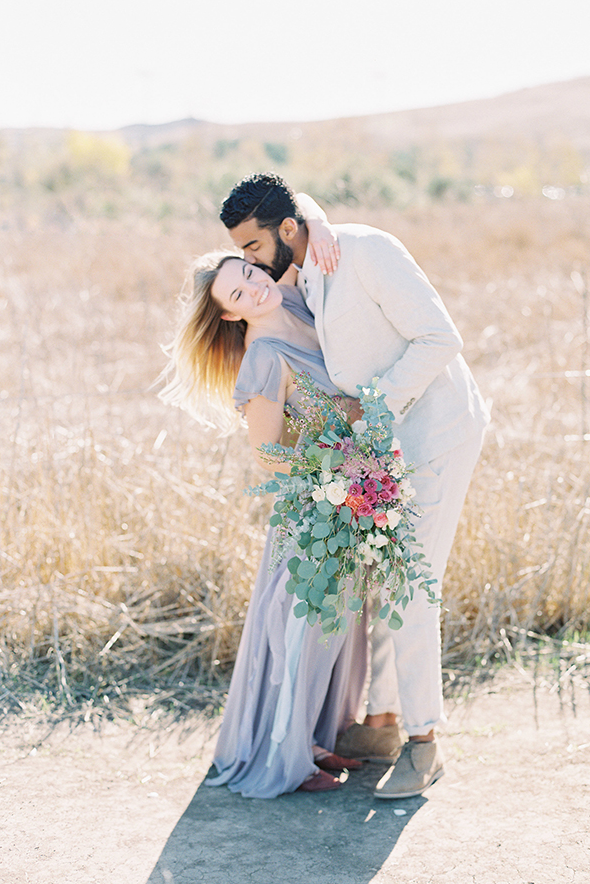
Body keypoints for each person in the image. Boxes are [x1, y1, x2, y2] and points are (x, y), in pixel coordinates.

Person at [219, 173, 491, 799]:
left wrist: (372, 412)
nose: (251, 265)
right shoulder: (304, 267)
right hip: (386, 446)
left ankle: (424, 743)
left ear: (286, 232)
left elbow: (440, 339)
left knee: (413, 579)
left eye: (255, 250)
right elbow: (293, 217)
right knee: (385, 579)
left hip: (437, 429)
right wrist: (311, 215)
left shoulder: (364, 250)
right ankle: (384, 723)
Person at [159, 252, 367, 798]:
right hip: (312, 505)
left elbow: (303, 216)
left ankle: (315, 738)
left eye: (249, 275)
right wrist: (334, 472)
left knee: (335, 626)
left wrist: (315, 229)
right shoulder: (265, 356)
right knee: (298, 631)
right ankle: (282, 756)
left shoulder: (298, 299)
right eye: (237, 295)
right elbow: (269, 456)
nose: (253, 290)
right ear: (230, 315)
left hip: (350, 494)